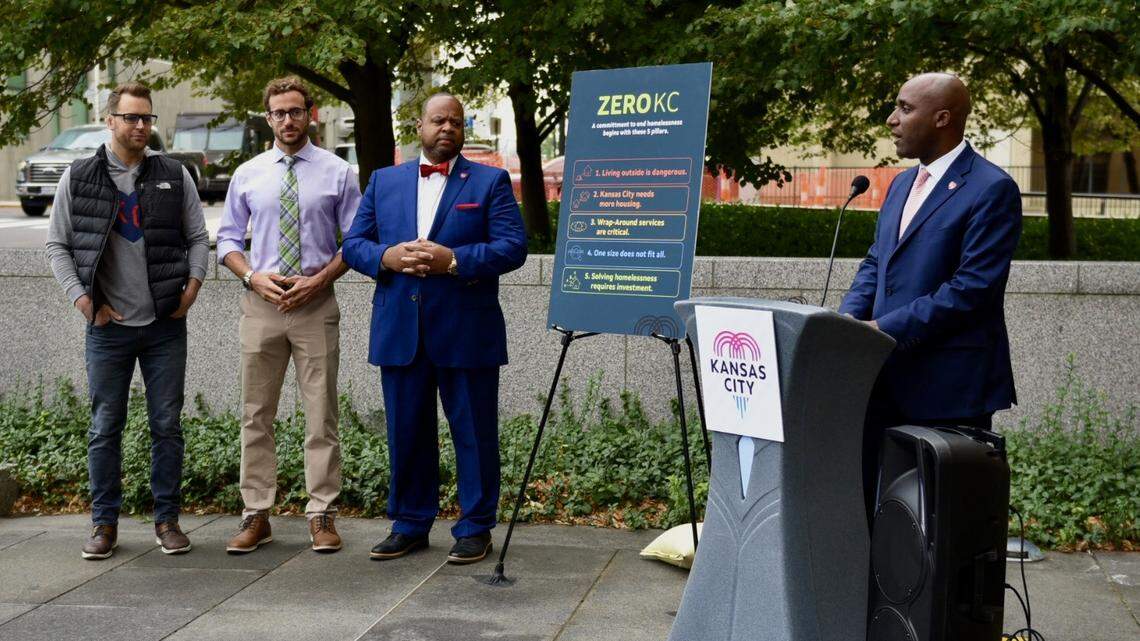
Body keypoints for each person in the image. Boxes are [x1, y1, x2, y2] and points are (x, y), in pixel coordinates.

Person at [343, 93, 527, 564]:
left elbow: (513, 247)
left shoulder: (489, 181)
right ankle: (409, 523)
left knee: (474, 434)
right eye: (439, 120)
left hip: (467, 330)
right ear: (419, 126)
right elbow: (354, 244)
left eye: (456, 122)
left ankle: (475, 527)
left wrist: (455, 261)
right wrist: (386, 257)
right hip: (400, 330)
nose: (448, 128)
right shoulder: (384, 181)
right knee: (406, 432)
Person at [839, 73, 1022, 519]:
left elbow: (971, 289)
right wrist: (845, 324)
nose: (891, 119)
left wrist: (883, 329)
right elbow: (876, 262)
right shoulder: (901, 184)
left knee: (936, 526)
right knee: (876, 513)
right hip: (880, 379)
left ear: (942, 118)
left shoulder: (992, 188)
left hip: (948, 390)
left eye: (905, 109)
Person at [45, 82, 210, 559]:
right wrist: (84, 302)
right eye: (132, 117)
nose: (141, 126)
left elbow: (198, 238)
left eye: (147, 118)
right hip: (107, 329)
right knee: (104, 427)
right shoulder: (79, 176)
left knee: (167, 426)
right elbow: (57, 245)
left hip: (164, 325)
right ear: (110, 120)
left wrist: (192, 287)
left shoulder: (174, 174)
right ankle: (104, 525)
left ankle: (167, 520)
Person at [216, 77, 361, 554]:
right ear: (268, 118)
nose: (287, 120)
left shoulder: (338, 173)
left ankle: (322, 514)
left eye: (295, 111)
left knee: (321, 415)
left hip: (315, 305)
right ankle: (256, 513)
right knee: (255, 414)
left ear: (310, 114)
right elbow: (228, 239)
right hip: (261, 305)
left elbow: (356, 242)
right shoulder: (248, 173)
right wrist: (250, 277)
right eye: (278, 112)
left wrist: (320, 280)